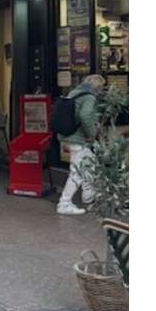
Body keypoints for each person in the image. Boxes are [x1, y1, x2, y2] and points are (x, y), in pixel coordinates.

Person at [56, 74, 105, 215]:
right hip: (77, 140)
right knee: (77, 172)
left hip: (67, 136)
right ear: (97, 87)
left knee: (91, 164)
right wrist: (92, 133)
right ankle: (64, 203)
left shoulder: (74, 93)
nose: (101, 91)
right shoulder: (89, 97)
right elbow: (85, 115)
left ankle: (88, 197)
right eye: (101, 87)